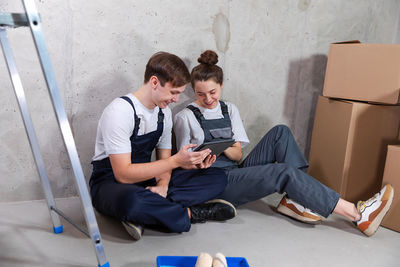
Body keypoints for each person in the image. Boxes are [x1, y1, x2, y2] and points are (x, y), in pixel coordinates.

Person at [173, 50, 394, 237]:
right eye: (201, 95)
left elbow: (238, 156)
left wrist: (223, 148)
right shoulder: (185, 117)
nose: (208, 99)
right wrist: (211, 155)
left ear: (221, 85)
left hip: (236, 172)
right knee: (282, 173)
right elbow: (181, 165)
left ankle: (295, 201)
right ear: (193, 91)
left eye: (213, 92)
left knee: (281, 132)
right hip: (215, 182)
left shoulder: (229, 109)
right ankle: (358, 214)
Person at [89, 52, 236, 241]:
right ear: (154, 82)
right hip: (111, 182)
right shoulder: (120, 111)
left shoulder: (163, 114)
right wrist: (176, 161)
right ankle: (191, 214)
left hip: (147, 179)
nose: (176, 99)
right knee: (132, 202)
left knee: (216, 178)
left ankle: (149, 211)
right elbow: (123, 174)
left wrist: (163, 185)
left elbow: (164, 162)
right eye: (173, 92)